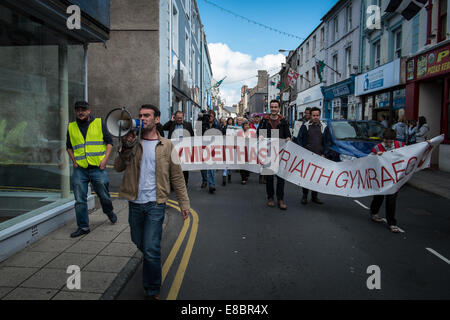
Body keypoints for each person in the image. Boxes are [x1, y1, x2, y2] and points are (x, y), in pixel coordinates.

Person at [114, 104, 190, 300]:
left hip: (156, 203)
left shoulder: (167, 145)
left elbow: (177, 177)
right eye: (140, 115)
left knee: (151, 248)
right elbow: (118, 167)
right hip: (135, 203)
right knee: (139, 241)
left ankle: (152, 289)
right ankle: (152, 260)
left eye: (147, 115)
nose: (142, 118)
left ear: (157, 119)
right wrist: (125, 146)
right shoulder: (133, 142)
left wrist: (184, 203)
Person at [66, 101, 117, 238]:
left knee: (104, 196)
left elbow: (109, 143)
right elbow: (69, 146)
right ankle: (83, 227)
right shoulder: (71, 127)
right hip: (80, 169)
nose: (80, 112)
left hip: (97, 168)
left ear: (89, 111)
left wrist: (105, 160)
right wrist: (74, 161)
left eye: (83, 110)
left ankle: (109, 211)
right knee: (79, 199)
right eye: (78, 110)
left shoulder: (99, 123)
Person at [257, 100, 291, 210]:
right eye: (272, 107)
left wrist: (288, 138)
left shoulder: (283, 121)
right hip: (268, 152)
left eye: (275, 107)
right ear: (269, 108)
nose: (273, 109)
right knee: (269, 177)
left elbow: (288, 135)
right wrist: (261, 136)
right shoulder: (265, 120)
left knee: (281, 177)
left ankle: (280, 199)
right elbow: (259, 133)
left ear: (279, 108)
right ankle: (270, 197)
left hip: (280, 152)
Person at [369, 128, 405, 233]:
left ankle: (392, 223)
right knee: (378, 197)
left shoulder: (401, 145)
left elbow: (412, 152)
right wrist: (376, 156)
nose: (388, 144)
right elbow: (368, 160)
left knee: (391, 200)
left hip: (394, 178)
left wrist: (426, 144)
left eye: (390, 142)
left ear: (394, 140)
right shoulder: (377, 147)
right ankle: (374, 212)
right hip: (381, 178)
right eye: (386, 141)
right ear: (383, 139)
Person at [297, 107, 331, 205]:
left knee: (316, 177)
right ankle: (304, 196)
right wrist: (303, 152)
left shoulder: (324, 127)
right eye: (314, 115)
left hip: (319, 157)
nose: (315, 117)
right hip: (307, 157)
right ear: (310, 116)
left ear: (320, 116)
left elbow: (328, 142)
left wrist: (325, 154)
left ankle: (314, 197)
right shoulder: (305, 126)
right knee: (306, 177)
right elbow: (299, 139)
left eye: (317, 115)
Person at [162, 111, 194, 185]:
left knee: (184, 166)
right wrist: (171, 121)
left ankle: (185, 182)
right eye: (178, 118)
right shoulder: (171, 124)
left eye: (181, 118)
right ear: (175, 117)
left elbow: (192, 136)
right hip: (173, 148)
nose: (180, 119)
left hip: (184, 148)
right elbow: (164, 127)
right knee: (173, 166)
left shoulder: (188, 124)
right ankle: (173, 183)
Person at [201, 110, 222, 194]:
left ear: (214, 117)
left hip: (213, 147)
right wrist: (201, 119)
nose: (210, 117)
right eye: (208, 116)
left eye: (211, 116)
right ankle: (205, 180)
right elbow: (197, 133)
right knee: (203, 167)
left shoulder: (217, 125)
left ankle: (211, 185)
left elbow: (220, 135)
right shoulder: (202, 123)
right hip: (203, 146)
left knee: (211, 166)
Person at [237, 120, 255, 185]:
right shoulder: (239, 133)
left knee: (248, 164)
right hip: (241, 150)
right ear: (243, 126)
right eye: (245, 125)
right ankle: (243, 178)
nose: (246, 126)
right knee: (241, 164)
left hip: (249, 150)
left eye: (248, 125)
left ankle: (247, 174)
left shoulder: (252, 133)